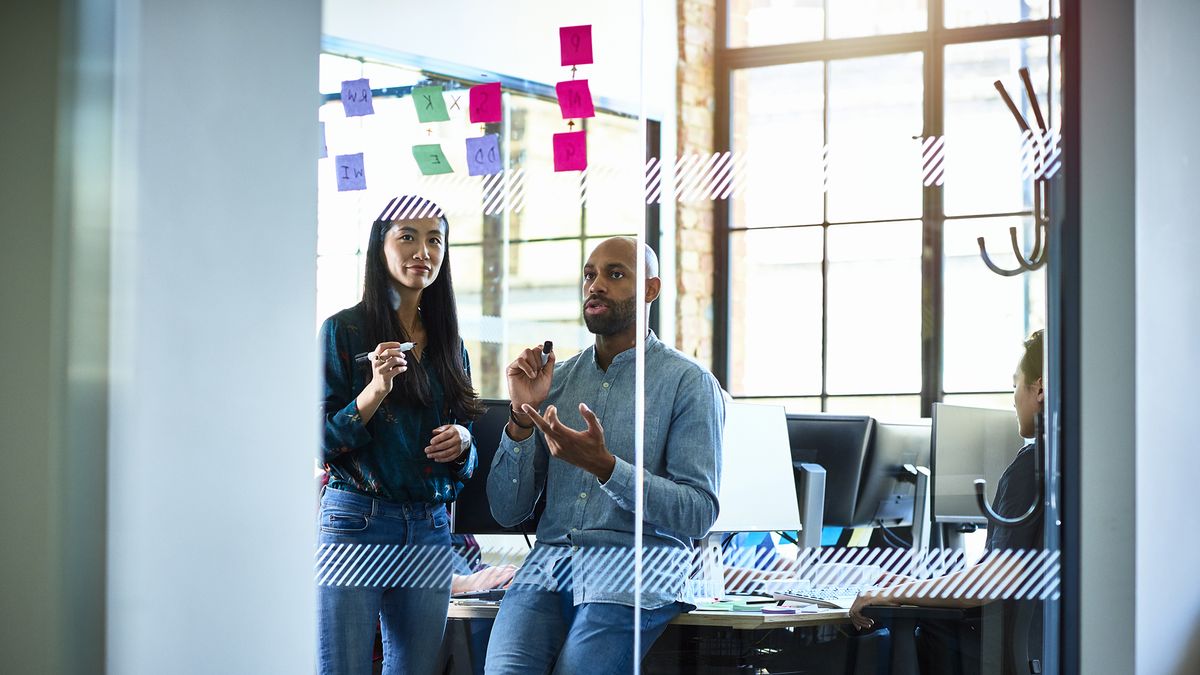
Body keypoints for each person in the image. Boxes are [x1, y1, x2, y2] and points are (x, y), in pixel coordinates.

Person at [483, 237, 725, 675]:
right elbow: (506, 510)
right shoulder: (555, 380)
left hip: (634, 568)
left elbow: (698, 512)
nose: (595, 285)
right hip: (548, 565)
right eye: (589, 274)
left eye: (615, 275)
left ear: (650, 290)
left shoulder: (688, 383)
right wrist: (520, 417)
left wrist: (606, 468)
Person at [318, 195, 484, 675]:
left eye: (435, 239)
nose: (423, 251)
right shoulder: (343, 331)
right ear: (380, 247)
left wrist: (464, 442)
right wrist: (375, 390)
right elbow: (319, 441)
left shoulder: (452, 345)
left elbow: (466, 461)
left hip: (431, 527)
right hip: (356, 523)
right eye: (407, 236)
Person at [849, 329, 1047, 673]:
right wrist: (911, 586)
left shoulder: (1031, 466)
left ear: (1040, 389)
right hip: (1037, 657)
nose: (1013, 396)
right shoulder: (1068, 465)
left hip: (985, 654)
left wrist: (898, 594)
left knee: (876, 640)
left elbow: (995, 580)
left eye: (1016, 384)